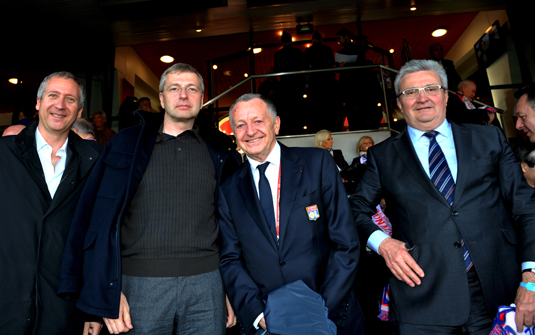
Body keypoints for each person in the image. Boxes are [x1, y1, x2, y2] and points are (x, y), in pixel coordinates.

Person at [350, 59, 535, 334]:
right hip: (422, 297)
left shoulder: (489, 139)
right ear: (399, 105)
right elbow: (355, 208)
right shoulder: (383, 156)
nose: (422, 98)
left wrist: (530, 278)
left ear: (446, 97)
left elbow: (526, 208)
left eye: (431, 88)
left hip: (498, 288)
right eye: (410, 92)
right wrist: (383, 244)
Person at [58, 63, 242, 334]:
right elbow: (95, 221)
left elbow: (234, 227)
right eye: (174, 88)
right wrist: (106, 291)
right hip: (139, 285)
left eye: (192, 89)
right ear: (161, 98)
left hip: (207, 285)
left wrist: (230, 287)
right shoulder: (124, 145)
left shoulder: (221, 151)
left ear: (202, 99)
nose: (183, 95)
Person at [0, 71, 103, 335]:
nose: (60, 105)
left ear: (79, 111)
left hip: (63, 311)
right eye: (53, 96)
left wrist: (93, 309)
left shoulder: (93, 161)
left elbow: (97, 240)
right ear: (38, 102)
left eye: (70, 99)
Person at [218, 93, 363, 335]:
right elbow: (230, 259)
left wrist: (320, 308)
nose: (250, 131)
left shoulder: (317, 163)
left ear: (276, 124)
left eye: (258, 121)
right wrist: (257, 314)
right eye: (240, 125)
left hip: (331, 314)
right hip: (269, 323)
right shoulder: (228, 188)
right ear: (234, 133)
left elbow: (346, 243)